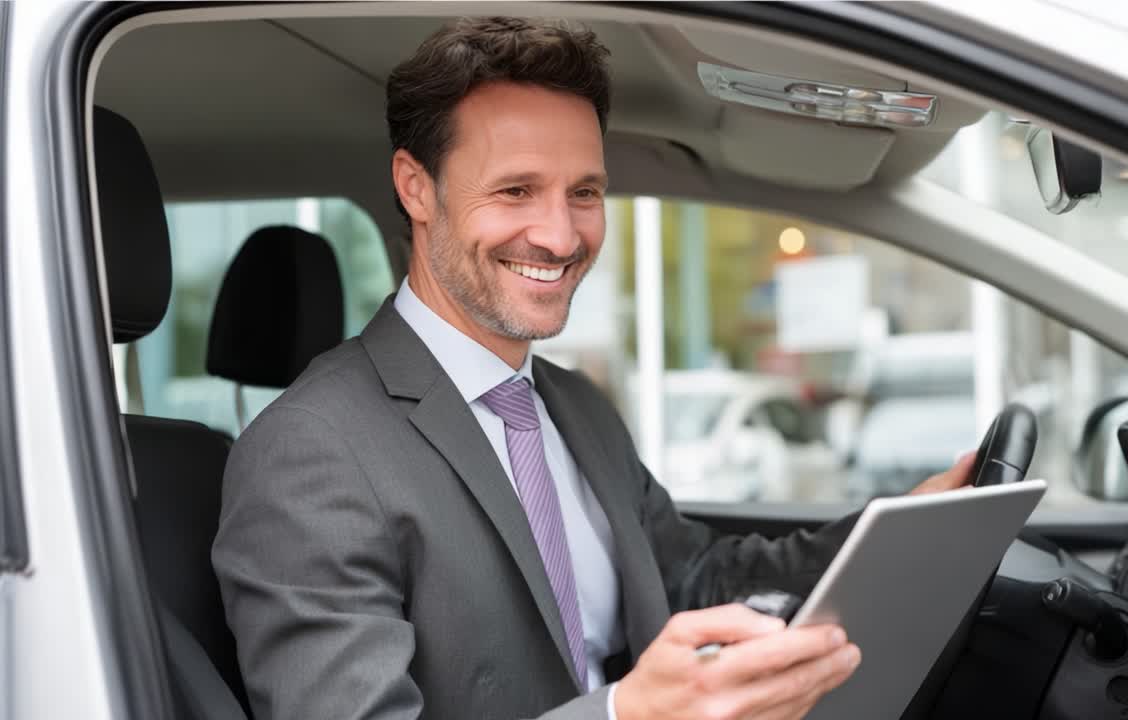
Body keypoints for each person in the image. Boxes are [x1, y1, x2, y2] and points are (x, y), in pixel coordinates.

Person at [212, 16, 974, 720]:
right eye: (515, 191)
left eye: (584, 193)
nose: (559, 234)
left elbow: (691, 584)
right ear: (416, 187)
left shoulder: (570, 404)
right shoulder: (309, 452)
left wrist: (898, 528)